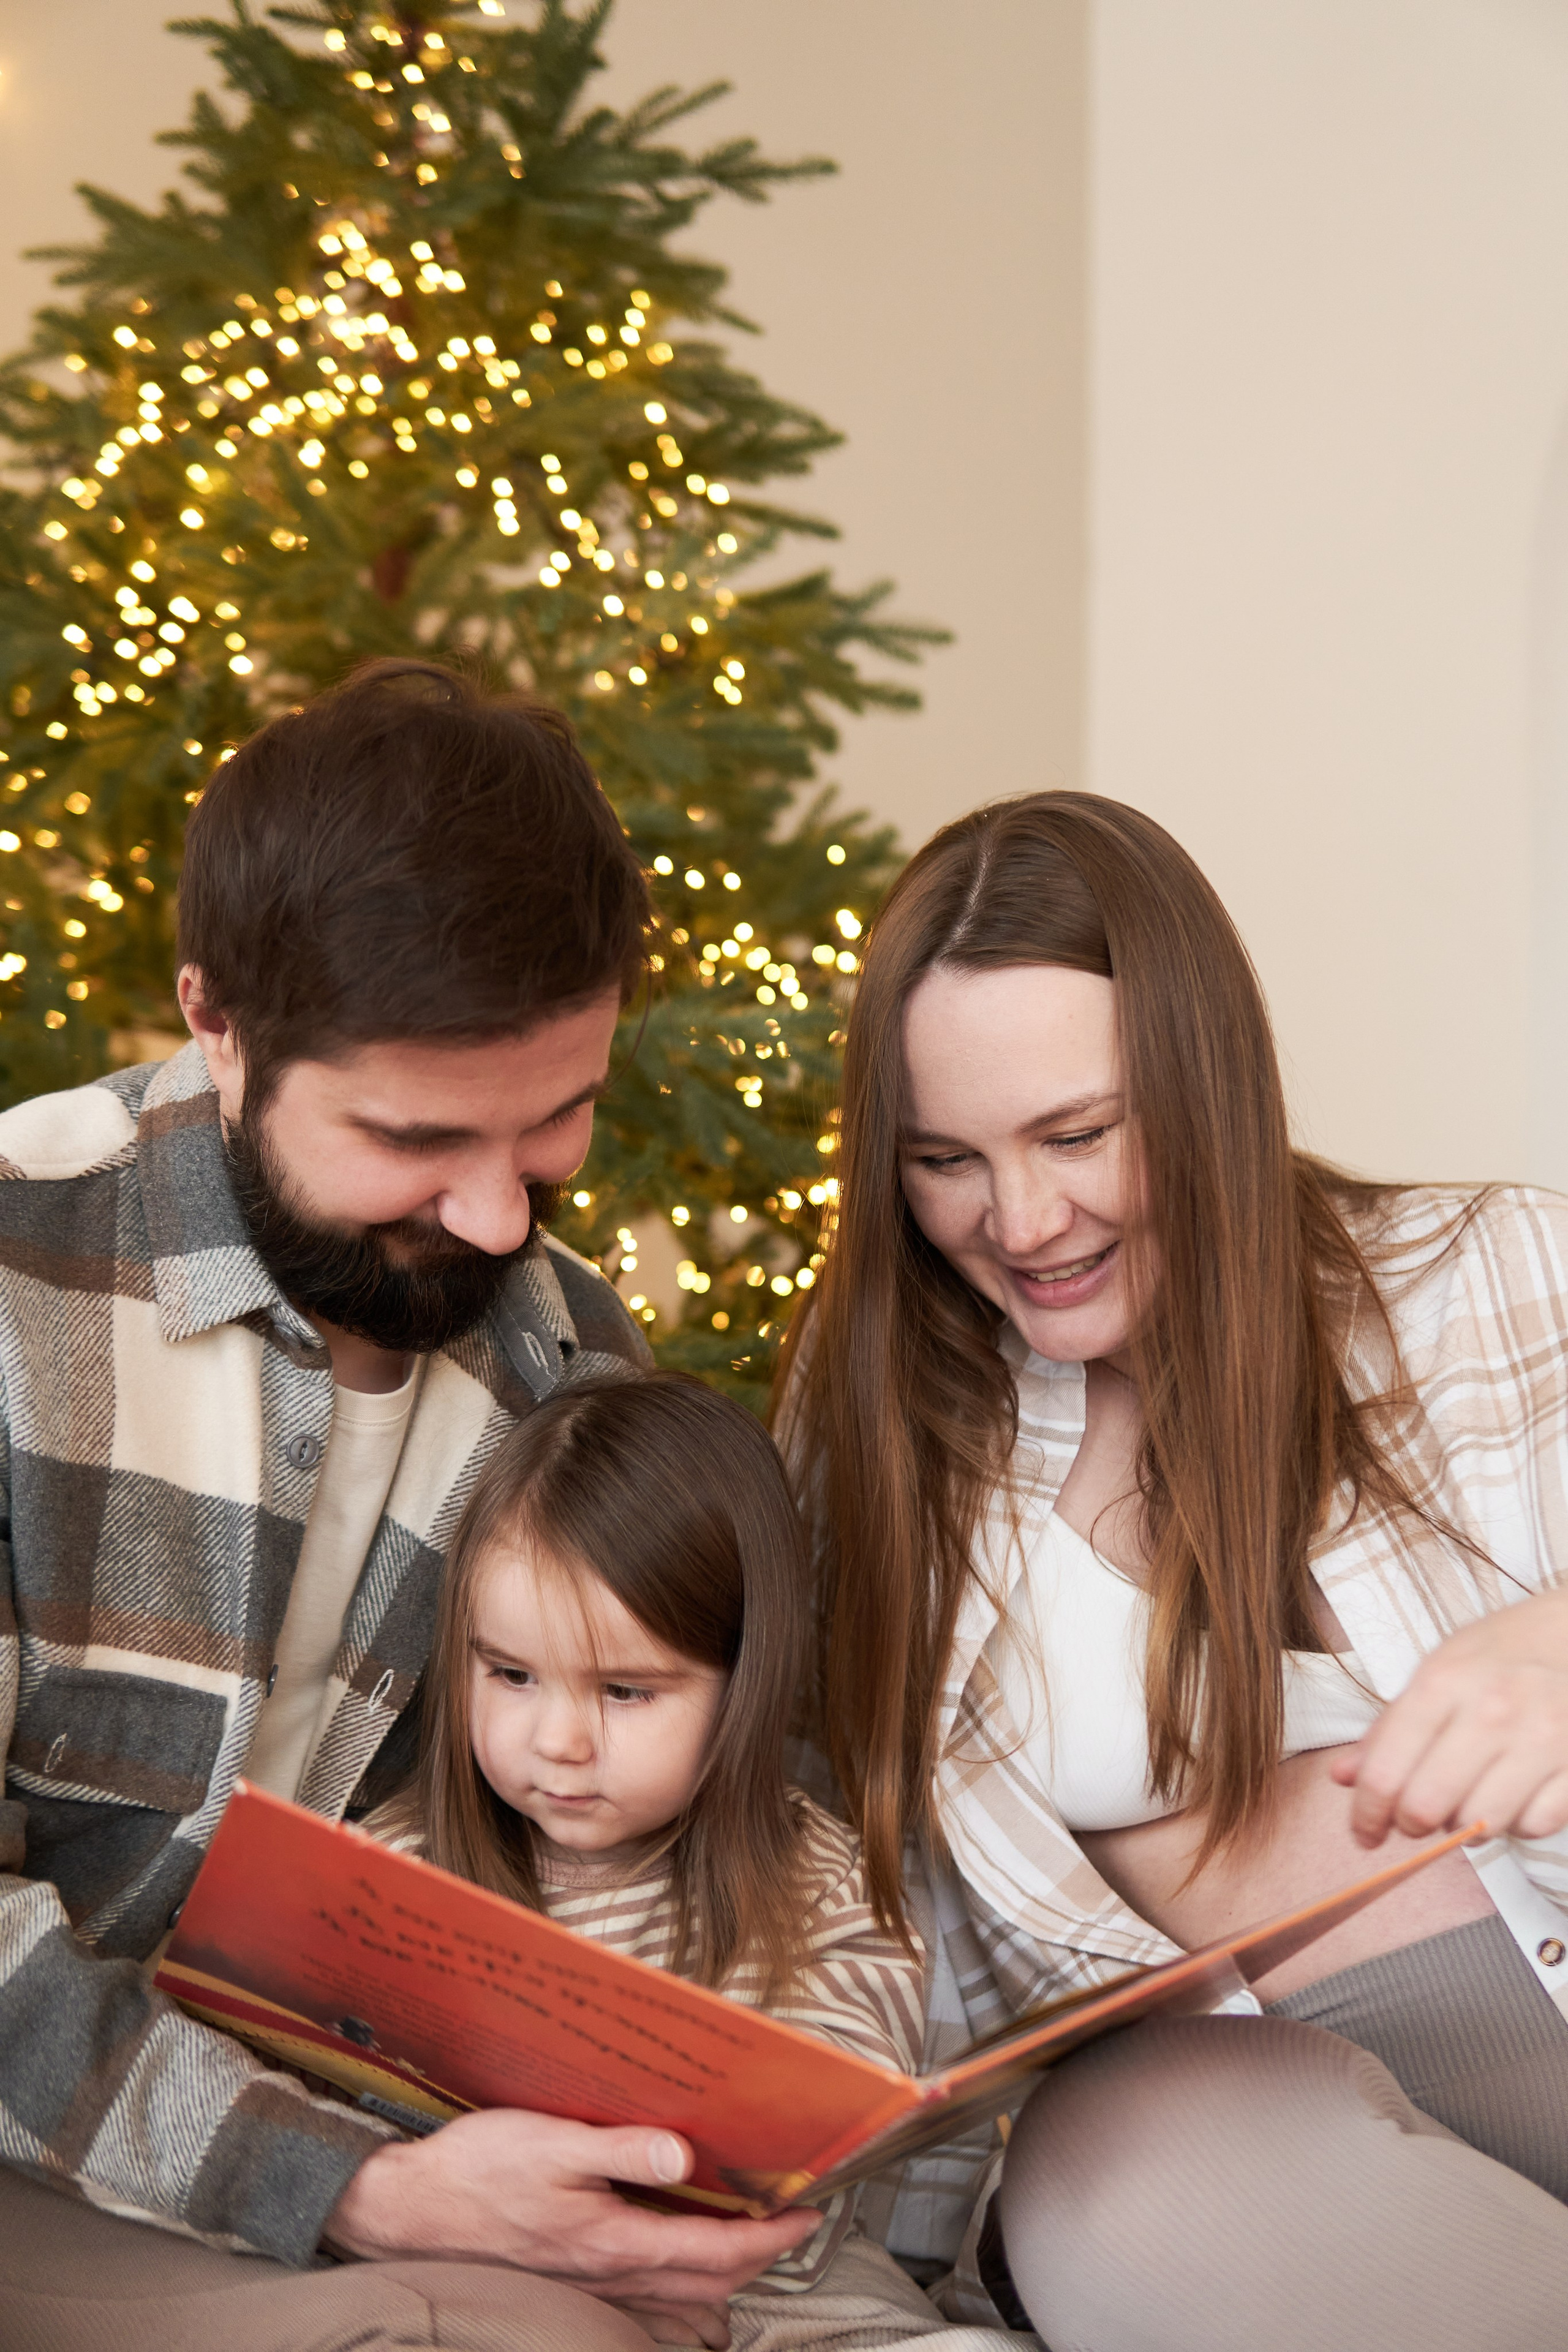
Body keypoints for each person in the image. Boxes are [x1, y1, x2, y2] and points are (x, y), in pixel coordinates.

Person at [0, 660, 820, 2352]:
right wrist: (348, 2188)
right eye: (414, 1135)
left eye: (561, 1121)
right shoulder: (18, 1288)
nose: (501, 1217)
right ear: (218, 1022)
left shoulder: (574, 1358)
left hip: (389, 2151)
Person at [783, 790, 1568, 2352]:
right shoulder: (876, 1432)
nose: (1021, 1221)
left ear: (1205, 1084)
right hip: (1229, 2127)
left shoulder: (1490, 1273)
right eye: (945, 1159)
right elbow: (819, 1906)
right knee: (1122, 2183)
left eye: (1076, 1135)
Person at [366, 1370, 1021, 2352]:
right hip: (494, 2289)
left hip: (777, 2305)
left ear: (745, 1680)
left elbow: (805, 2202)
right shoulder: (396, 1870)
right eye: (509, 1674)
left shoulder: (822, 1885)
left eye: (624, 1692)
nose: (557, 1742)